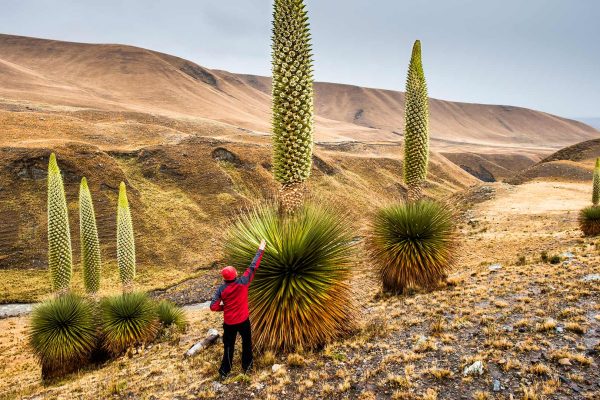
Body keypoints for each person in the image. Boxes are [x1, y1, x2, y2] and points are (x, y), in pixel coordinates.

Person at [210, 239, 266, 378]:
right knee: (247, 343)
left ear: (224, 278)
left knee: (228, 346)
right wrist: (261, 249)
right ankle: (247, 367)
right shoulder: (243, 282)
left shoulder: (221, 290)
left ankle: (224, 371)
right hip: (243, 320)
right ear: (235, 275)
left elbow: (213, 306)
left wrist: (225, 307)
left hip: (229, 323)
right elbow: (253, 267)